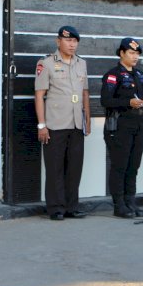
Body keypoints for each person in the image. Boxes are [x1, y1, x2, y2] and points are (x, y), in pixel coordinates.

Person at [34, 26, 91, 221]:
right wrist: (42, 125)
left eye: (75, 41)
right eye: (68, 40)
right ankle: (56, 208)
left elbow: (85, 94)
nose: (72, 44)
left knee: (74, 168)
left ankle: (72, 207)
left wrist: (87, 121)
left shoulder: (81, 64)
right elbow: (39, 95)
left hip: (76, 124)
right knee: (55, 168)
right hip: (55, 124)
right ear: (58, 41)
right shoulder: (46, 63)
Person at [101, 38, 143, 218]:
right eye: (131, 53)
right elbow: (105, 101)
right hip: (120, 125)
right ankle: (119, 204)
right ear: (121, 53)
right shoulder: (113, 75)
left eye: (137, 53)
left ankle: (131, 202)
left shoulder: (141, 75)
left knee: (133, 166)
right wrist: (128, 102)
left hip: (138, 125)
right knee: (119, 166)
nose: (135, 56)